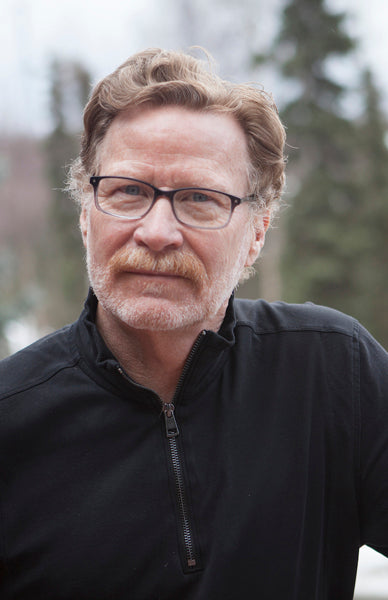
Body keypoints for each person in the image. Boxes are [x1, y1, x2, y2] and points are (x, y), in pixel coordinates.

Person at [0, 47, 387, 600]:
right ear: (86, 213)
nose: (157, 232)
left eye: (199, 198)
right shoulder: (11, 419)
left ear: (257, 230)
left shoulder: (333, 372)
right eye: (128, 191)